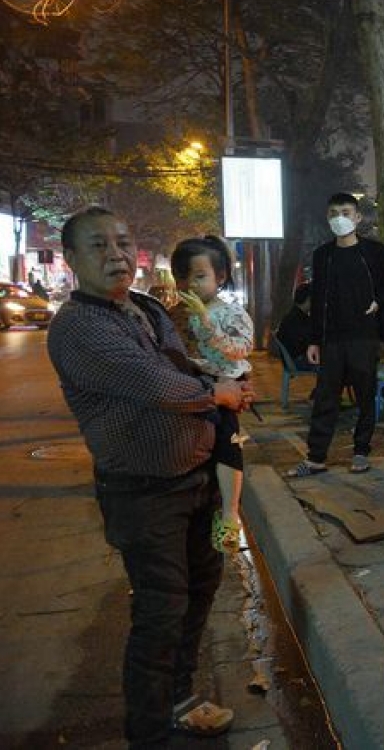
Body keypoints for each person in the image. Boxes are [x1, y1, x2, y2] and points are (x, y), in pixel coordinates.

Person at [46, 206, 252, 747]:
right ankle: (150, 731)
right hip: (142, 491)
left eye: (121, 242)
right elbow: (156, 384)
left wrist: (221, 380)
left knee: (200, 589)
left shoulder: (143, 307)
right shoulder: (78, 328)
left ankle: (181, 699)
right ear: (70, 259)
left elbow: (179, 366)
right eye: (98, 246)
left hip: (196, 477)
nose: (115, 255)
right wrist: (216, 392)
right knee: (161, 610)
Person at [287, 192, 384, 477]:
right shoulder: (323, 255)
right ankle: (316, 458)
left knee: (365, 395)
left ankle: (361, 452)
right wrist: (313, 339)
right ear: (327, 218)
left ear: (358, 217)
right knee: (325, 397)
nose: (340, 218)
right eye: (334, 213)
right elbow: (318, 298)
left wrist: (381, 299)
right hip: (331, 338)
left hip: (365, 336)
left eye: (346, 212)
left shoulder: (373, 250)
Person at [168, 235, 254, 555]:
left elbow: (240, 349)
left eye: (200, 276)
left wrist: (206, 326)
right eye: (183, 277)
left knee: (227, 443)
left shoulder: (231, 313)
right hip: (190, 389)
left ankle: (230, 517)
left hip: (224, 386)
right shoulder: (173, 314)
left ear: (220, 277)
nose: (190, 284)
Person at [272, 282, 315, 371]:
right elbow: (307, 343)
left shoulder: (292, 316)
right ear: (308, 299)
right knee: (333, 363)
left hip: (293, 361)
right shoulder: (298, 319)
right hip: (298, 362)